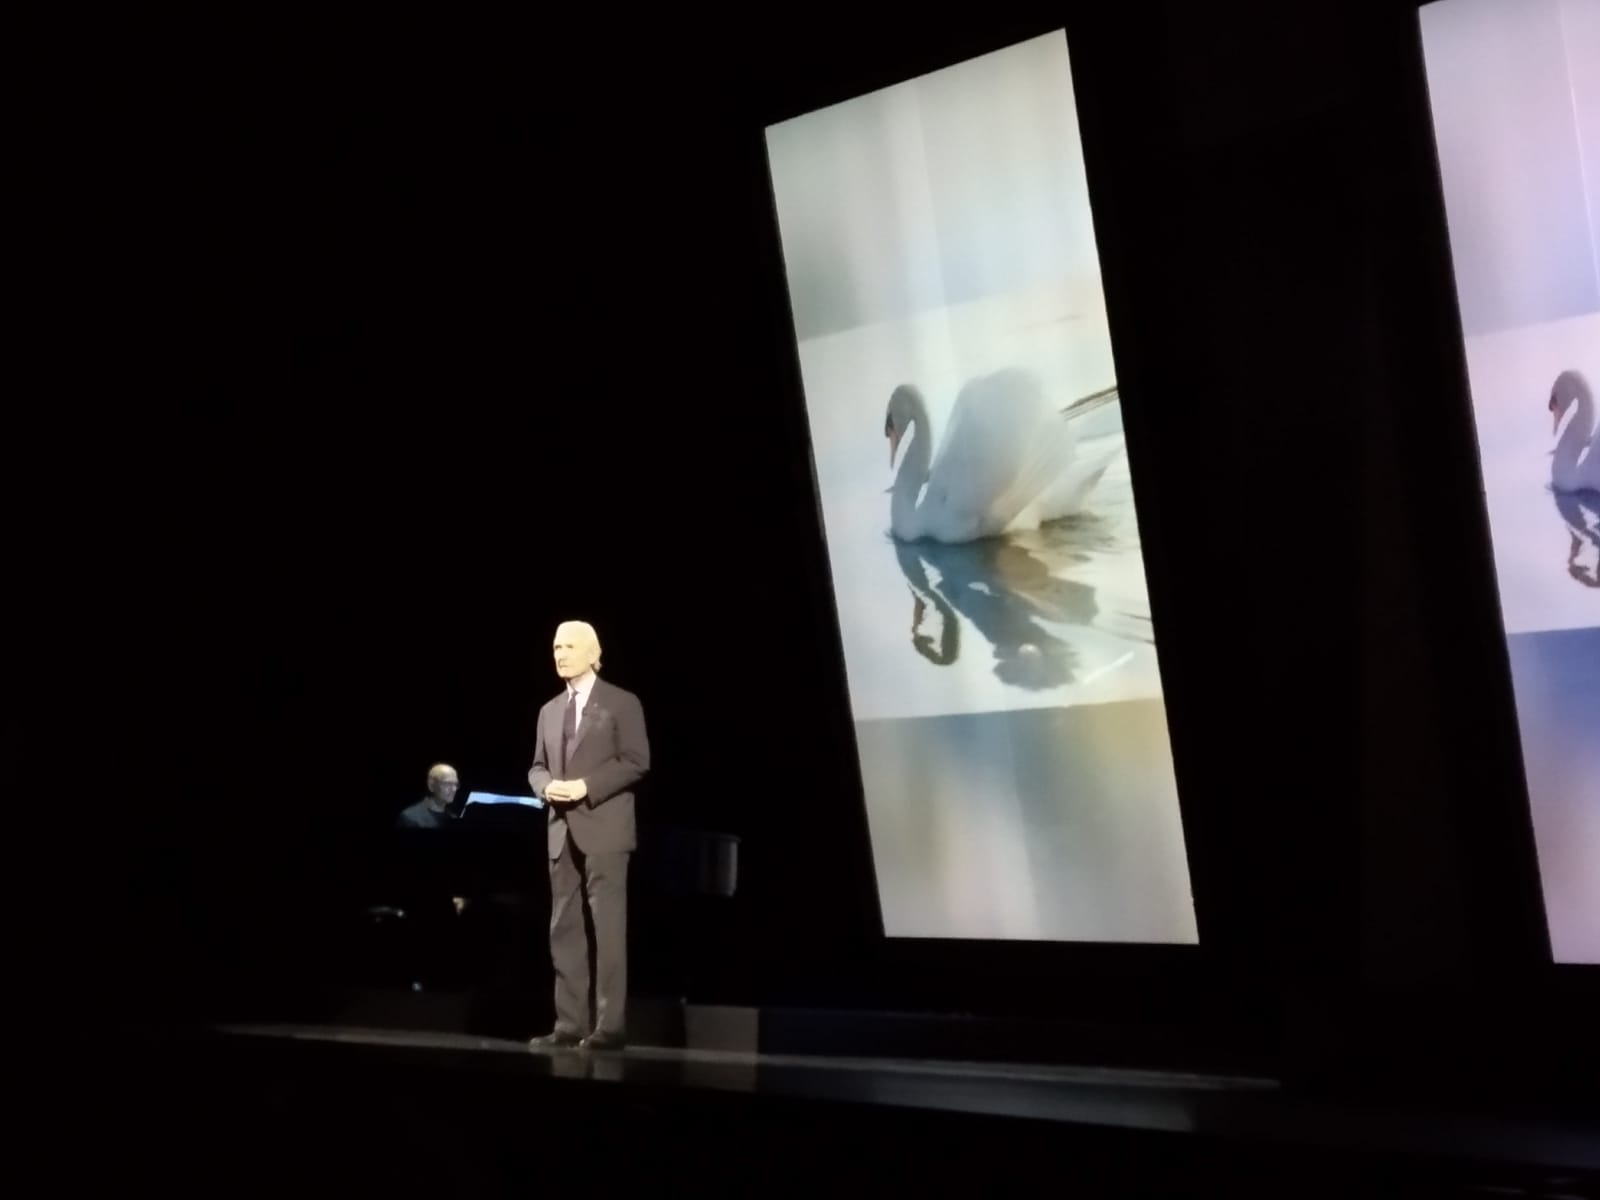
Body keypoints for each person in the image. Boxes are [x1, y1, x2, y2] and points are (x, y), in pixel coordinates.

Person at [527, 620, 650, 1051]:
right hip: (560, 832)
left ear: (592, 653)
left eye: (568, 647)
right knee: (564, 931)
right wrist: (545, 787)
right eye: (556, 647)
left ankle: (609, 1028)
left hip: (606, 830)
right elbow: (537, 766)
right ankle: (569, 1024)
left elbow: (636, 760)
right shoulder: (548, 710)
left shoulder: (622, 702)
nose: (559, 654)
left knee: (608, 931)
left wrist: (585, 786)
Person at [395, 763, 461, 830]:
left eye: (456, 784)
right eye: (448, 783)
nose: (454, 789)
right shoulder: (410, 818)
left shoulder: (453, 817)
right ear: (431, 785)